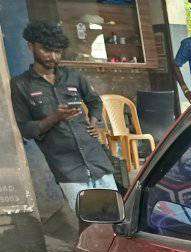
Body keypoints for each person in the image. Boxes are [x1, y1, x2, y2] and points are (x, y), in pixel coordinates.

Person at [10, 21, 117, 212]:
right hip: (67, 167)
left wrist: (94, 121)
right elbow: (25, 129)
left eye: (58, 51)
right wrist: (56, 117)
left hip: (96, 160)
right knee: (87, 219)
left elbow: (94, 101)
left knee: (113, 214)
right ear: (30, 46)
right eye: (46, 50)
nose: (53, 57)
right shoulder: (20, 85)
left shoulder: (73, 77)